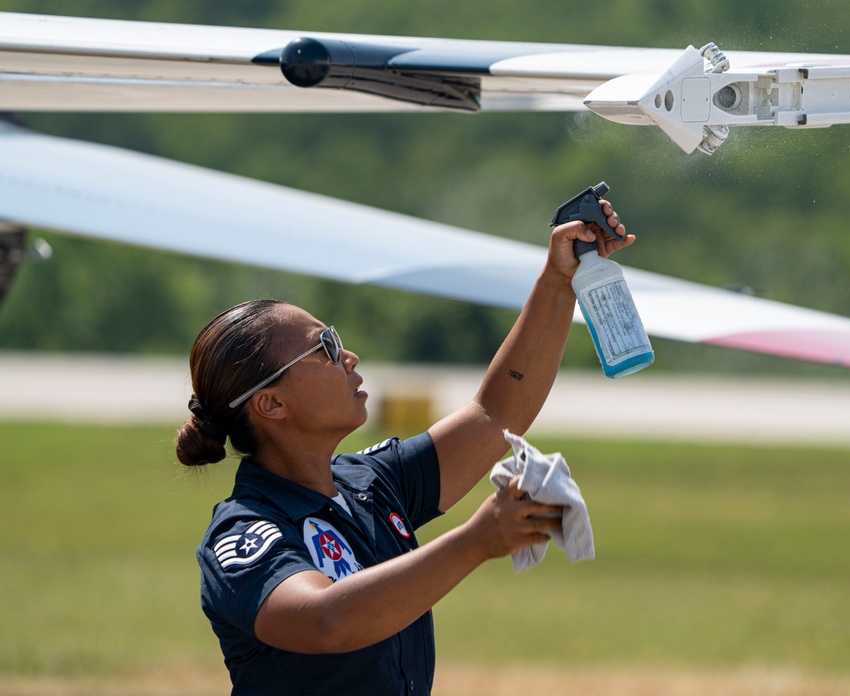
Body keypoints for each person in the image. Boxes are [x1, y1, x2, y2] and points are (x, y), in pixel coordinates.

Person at [175, 199, 631, 695]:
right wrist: (475, 542)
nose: (347, 355)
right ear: (270, 404)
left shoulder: (368, 482)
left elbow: (496, 413)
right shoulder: (243, 532)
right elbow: (324, 621)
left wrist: (559, 279)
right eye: (324, 347)